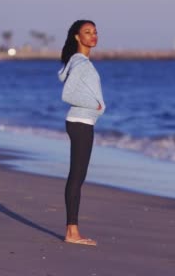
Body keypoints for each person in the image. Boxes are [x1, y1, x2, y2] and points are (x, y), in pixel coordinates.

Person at [57, 20, 105, 246]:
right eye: (87, 32)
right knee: (76, 177)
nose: (93, 36)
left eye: (95, 32)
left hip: (81, 122)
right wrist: (96, 104)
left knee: (78, 176)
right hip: (80, 122)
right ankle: (72, 232)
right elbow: (67, 94)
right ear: (77, 37)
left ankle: (72, 230)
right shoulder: (81, 63)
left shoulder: (79, 62)